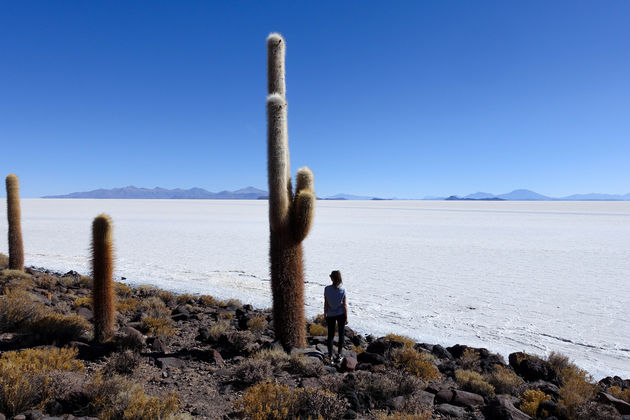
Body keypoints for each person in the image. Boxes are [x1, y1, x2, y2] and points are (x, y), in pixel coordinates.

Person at [324, 270, 348, 363]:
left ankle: (330, 356)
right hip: (341, 314)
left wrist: (325, 314)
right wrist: (346, 317)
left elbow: (326, 303)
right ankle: (339, 355)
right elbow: (344, 305)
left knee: (330, 335)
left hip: (330, 314)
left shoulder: (327, 289)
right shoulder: (343, 290)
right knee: (341, 335)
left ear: (332, 278)